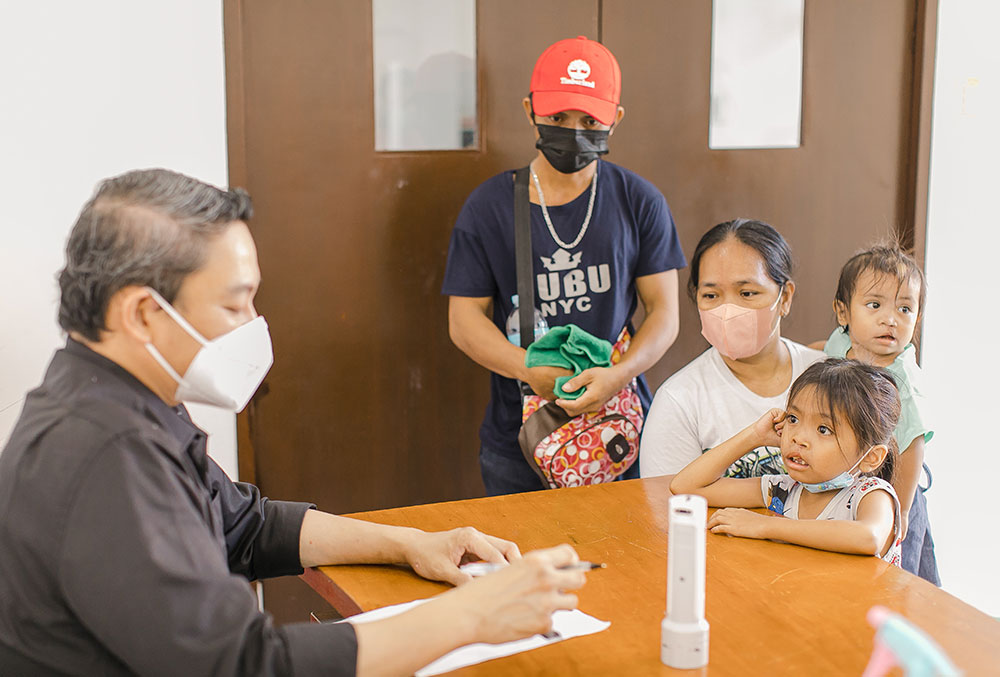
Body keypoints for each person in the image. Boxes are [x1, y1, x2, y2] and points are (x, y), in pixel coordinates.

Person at [0, 169, 589, 677]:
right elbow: (245, 665)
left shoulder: (120, 401)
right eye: (235, 304)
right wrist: (474, 616)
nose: (254, 324)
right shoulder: (106, 452)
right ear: (145, 314)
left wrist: (410, 544)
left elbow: (244, 525)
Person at [442, 36, 686, 495]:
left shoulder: (639, 201)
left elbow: (665, 312)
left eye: (589, 119)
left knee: (628, 561)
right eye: (558, 117)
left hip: (621, 430)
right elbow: (463, 319)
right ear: (530, 108)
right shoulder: (489, 206)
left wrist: (618, 374)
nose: (573, 130)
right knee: (522, 561)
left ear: (615, 118)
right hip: (517, 440)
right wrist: (527, 368)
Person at [639, 219, 825, 479]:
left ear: (785, 298)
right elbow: (666, 507)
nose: (727, 311)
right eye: (711, 296)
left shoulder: (829, 378)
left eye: (747, 293)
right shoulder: (679, 400)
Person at [670, 359, 903, 564]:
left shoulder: (871, 495)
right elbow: (687, 487)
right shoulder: (783, 489)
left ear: (870, 458)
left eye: (824, 429)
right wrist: (754, 436)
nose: (798, 438)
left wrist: (764, 525)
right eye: (793, 418)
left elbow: (868, 537)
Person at [820, 244, 939, 584]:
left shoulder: (903, 382)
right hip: (851, 483)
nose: (890, 319)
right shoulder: (841, 344)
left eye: (905, 309)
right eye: (875, 305)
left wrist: (899, 508)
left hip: (896, 482)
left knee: (897, 576)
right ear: (843, 313)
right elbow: (825, 352)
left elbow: (914, 444)